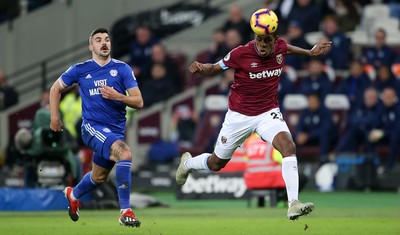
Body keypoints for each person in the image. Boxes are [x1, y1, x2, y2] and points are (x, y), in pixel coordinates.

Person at [175, 9, 332, 220]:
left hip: (268, 112)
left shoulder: (281, 48)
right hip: (239, 116)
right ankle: (187, 164)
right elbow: (217, 67)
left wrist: (310, 52)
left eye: (267, 40)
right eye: (259, 39)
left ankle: (293, 203)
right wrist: (203, 67)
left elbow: (289, 49)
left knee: (288, 147)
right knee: (216, 164)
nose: (263, 44)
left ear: (275, 39)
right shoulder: (240, 53)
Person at [49, 28, 143, 227]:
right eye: (98, 40)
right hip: (92, 128)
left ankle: (73, 195)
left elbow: (139, 102)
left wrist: (118, 96)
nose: (104, 43)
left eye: (107, 39)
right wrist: (54, 117)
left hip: (114, 131)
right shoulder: (80, 69)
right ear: (91, 46)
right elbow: (55, 88)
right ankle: (126, 211)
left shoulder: (123, 69)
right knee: (124, 153)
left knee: (99, 177)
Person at [294, 93, 335, 164]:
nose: (311, 104)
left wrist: (309, 135)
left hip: (318, 138)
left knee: (324, 137)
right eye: (309, 102)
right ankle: (295, 162)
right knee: (293, 137)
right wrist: (299, 134)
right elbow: (299, 126)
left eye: (313, 102)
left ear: (318, 102)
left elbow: (326, 128)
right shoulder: (305, 112)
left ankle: (322, 161)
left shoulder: (325, 112)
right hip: (307, 139)